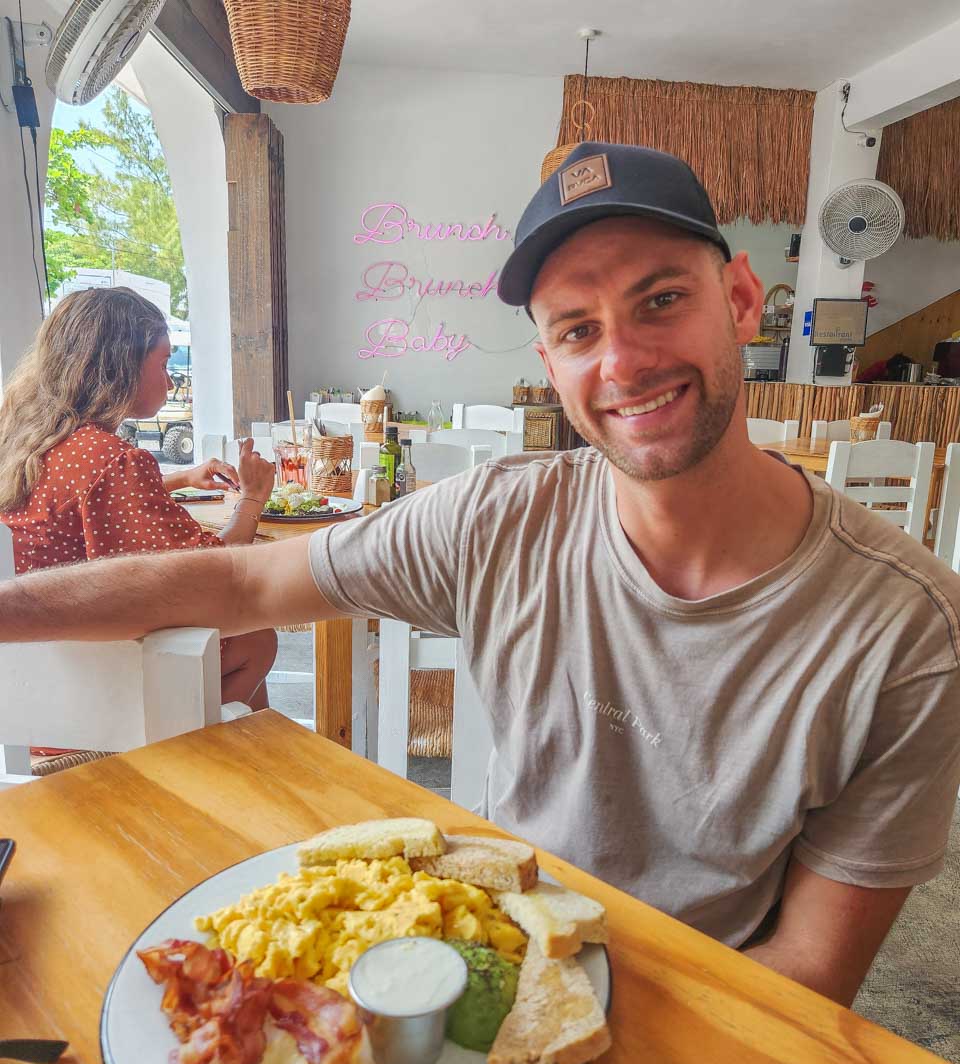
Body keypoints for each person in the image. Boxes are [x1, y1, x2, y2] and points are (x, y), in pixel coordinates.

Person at [2, 145, 959, 1008]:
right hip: (484, 963)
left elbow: (811, 975)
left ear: (742, 299)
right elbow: (245, 587)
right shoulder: (501, 514)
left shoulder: (907, 629)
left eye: (661, 298)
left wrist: (556, 1025)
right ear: (548, 362)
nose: (623, 359)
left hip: (706, 1024)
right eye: (578, 330)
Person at [0, 286, 278, 712]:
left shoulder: (25, 442)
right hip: (102, 693)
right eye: (164, 362)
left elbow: (64, 510)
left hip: (34, 680)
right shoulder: (110, 459)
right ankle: (175, 754)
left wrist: (178, 477)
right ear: (121, 364)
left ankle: (237, 759)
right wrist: (253, 500)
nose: (170, 379)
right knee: (257, 638)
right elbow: (209, 572)